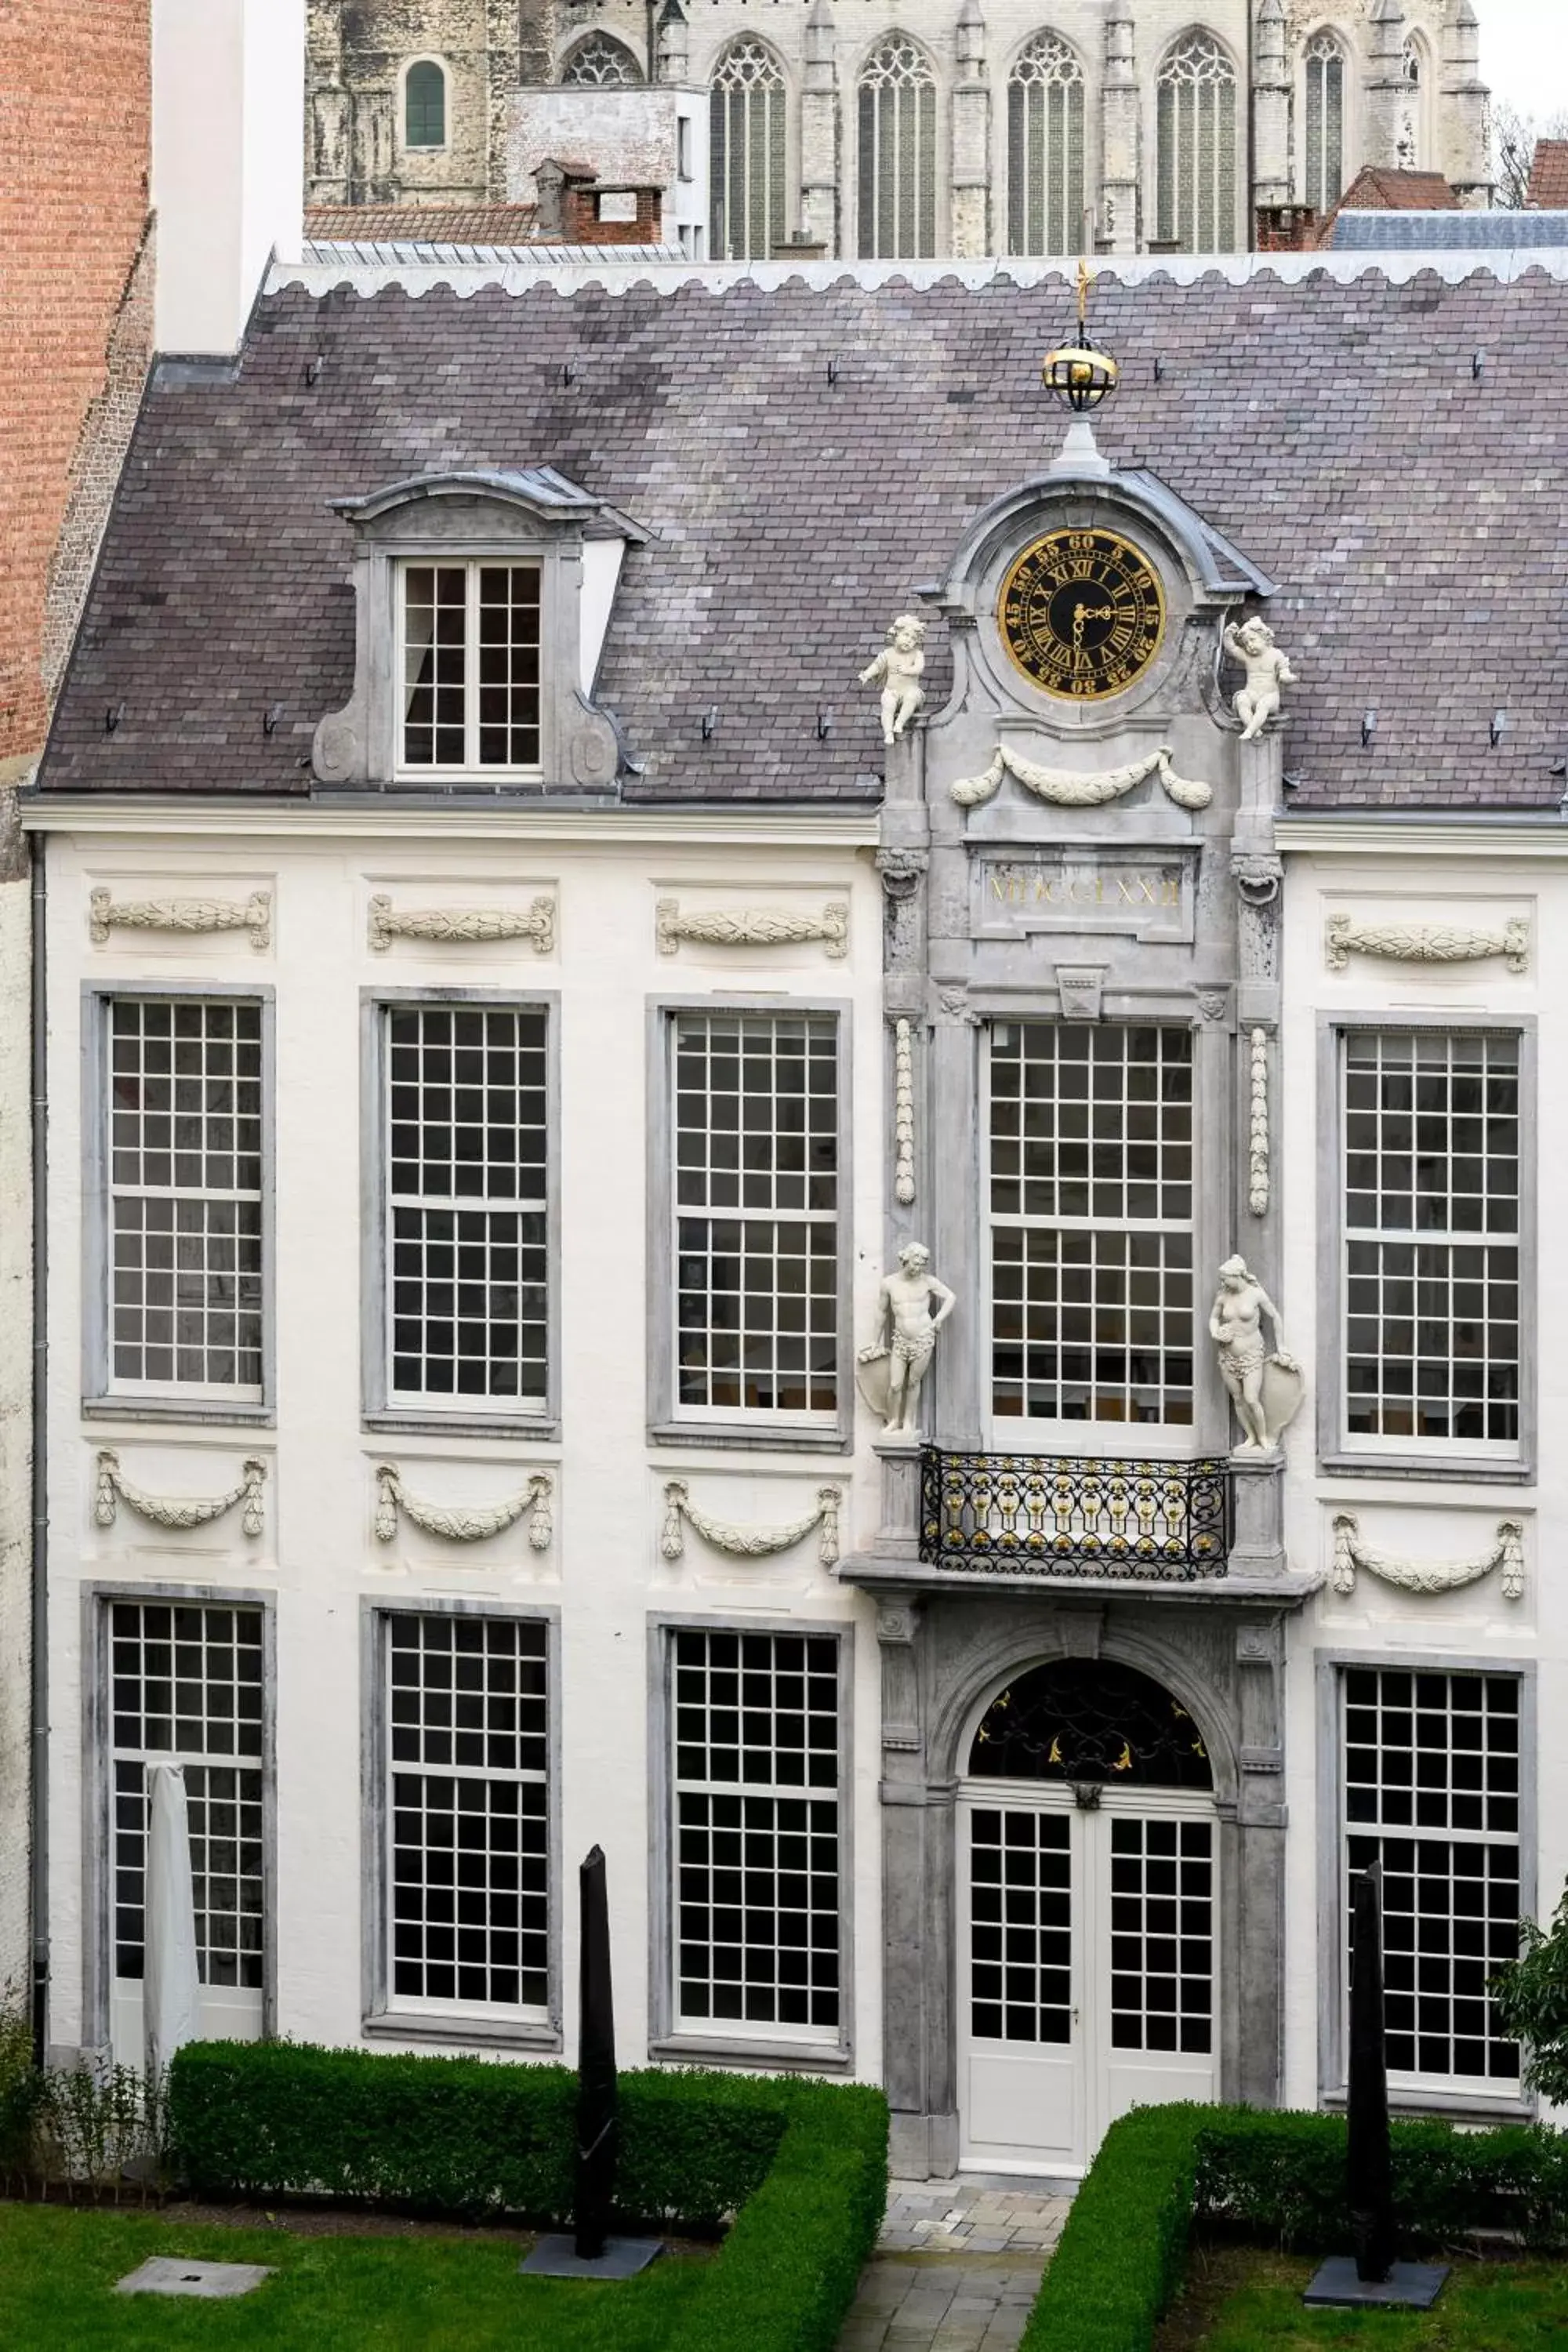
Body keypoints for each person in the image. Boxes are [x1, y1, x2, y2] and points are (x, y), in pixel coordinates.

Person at [858, 1243, 955, 1436]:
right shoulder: (889, 1283)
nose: (918, 1269)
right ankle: (894, 1420)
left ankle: (908, 1422)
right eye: (915, 1264)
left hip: (923, 1339)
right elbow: (881, 1313)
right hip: (901, 1340)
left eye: (921, 1266)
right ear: (906, 1259)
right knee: (895, 1385)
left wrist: (938, 1320)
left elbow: (951, 1297)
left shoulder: (928, 1281)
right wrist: (874, 1341)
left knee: (912, 1383)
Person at [1210, 1255, 1298, 1453]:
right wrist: (1215, 1332)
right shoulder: (1223, 1296)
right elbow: (1214, 1318)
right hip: (1227, 1356)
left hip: (1251, 1354)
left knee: (1251, 1398)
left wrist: (1281, 1345)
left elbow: (1275, 1317)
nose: (1223, 1282)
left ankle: (1264, 1437)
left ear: (1236, 1275)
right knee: (1238, 1398)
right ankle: (1250, 1436)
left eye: (1225, 1278)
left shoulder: (1255, 1294)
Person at [860, 615, 927, 746]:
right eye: (906, 635)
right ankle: (888, 732)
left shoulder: (917, 654)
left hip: (910, 690)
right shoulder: (888, 654)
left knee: (912, 696)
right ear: (896, 635)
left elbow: (919, 668)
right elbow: (877, 665)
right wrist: (866, 674)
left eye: (913, 639)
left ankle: (900, 723)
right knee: (888, 703)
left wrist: (907, 670)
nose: (909, 640)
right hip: (892, 691)